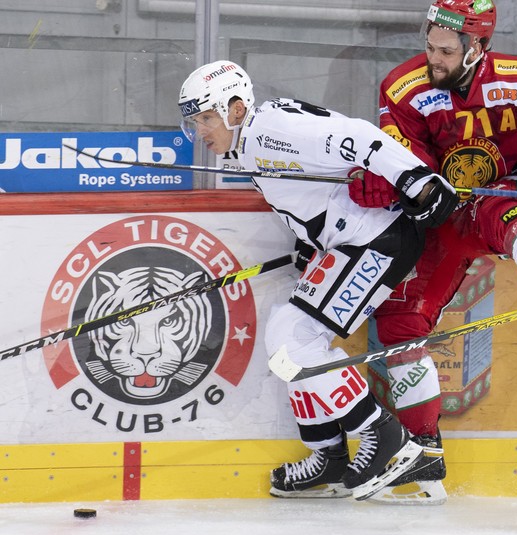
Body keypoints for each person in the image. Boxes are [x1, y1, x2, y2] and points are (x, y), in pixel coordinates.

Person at [346, 0, 517, 505]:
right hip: (434, 218)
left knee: (503, 211)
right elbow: (400, 157)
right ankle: (424, 450)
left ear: (477, 47)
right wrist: (386, 182)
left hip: (495, 202)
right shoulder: (404, 87)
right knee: (399, 327)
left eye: (445, 50)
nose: (432, 58)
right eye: (429, 46)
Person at [177, 60, 460, 501]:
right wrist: (312, 238)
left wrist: (417, 180)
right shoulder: (252, 141)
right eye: (195, 122)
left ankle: (384, 438)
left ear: (235, 109)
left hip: (375, 239)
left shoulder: (269, 130)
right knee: (283, 331)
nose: (202, 131)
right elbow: (317, 188)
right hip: (349, 241)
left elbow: (361, 136)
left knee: (294, 340)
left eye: (207, 118)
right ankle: (329, 455)